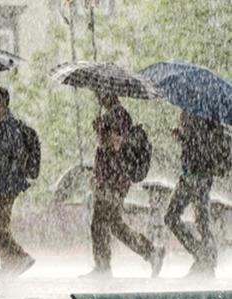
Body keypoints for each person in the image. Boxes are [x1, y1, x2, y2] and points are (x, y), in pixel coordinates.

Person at [82, 91, 164, 278]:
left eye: (100, 93)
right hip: (113, 179)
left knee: (99, 222)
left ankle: (103, 267)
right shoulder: (116, 114)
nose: (98, 97)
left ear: (110, 94)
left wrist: (101, 132)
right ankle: (151, 253)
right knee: (115, 225)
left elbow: (115, 145)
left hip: (112, 180)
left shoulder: (117, 114)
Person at [165, 112, 231, 278]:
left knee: (172, 217)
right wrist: (182, 135)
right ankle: (206, 258)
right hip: (200, 175)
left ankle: (203, 256)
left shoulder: (196, 111)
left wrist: (183, 135)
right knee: (201, 220)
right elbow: (199, 143)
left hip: (194, 176)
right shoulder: (205, 112)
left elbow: (197, 144)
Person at [0, 88, 34, 277]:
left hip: (8, 183)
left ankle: (20, 256)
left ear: (0, 106)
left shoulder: (9, 126)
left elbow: (5, 151)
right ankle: (8, 265)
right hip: (0, 182)